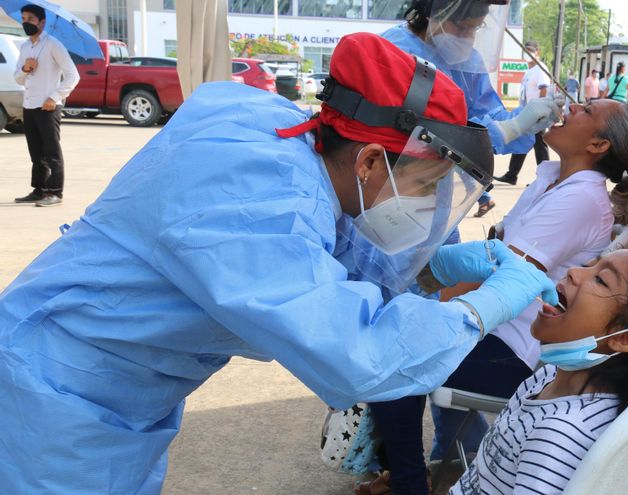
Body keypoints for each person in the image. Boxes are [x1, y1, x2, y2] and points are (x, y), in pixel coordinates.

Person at [0, 33, 560, 494]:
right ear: (368, 161)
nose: (422, 205)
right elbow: (359, 354)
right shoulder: (258, 204)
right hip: (55, 406)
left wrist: (428, 267)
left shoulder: (275, 133)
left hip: (109, 397)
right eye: (423, 187)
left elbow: (320, 245)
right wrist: (482, 307)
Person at [363, 98, 628, 495]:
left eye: (585, 110)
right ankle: (424, 469)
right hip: (501, 332)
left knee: (393, 363)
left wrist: (429, 299)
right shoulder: (553, 180)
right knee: (405, 336)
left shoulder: (579, 200)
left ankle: (409, 484)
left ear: (598, 146)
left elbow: (505, 280)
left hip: (514, 348)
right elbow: (497, 252)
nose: (568, 108)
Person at [451, 248, 628, 494]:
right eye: (589, 265)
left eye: (601, 279)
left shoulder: (560, 435)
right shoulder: (551, 375)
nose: (574, 272)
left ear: (624, 339)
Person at [382, 0, 561, 217]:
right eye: (462, 27)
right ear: (433, 14)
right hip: (391, 186)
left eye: (476, 27)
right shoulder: (395, 50)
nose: (468, 36)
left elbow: (486, 113)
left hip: (439, 194)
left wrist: (524, 120)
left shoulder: (468, 60)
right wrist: (507, 129)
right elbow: (422, 131)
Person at [12, 4, 80, 207]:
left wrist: (55, 96)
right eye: (23, 18)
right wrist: (26, 68)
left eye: (30, 19)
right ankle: (39, 189)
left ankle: (55, 192)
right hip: (29, 105)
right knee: (35, 152)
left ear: (42, 22)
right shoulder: (25, 47)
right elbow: (18, 78)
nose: (26, 22)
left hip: (48, 106)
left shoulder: (53, 45)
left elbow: (73, 75)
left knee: (51, 152)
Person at [494, 40, 551, 186]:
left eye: (531, 51)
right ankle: (512, 175)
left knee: (539, 145)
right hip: (527, 113)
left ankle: (544, 179)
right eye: (525, 51)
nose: (528, 54)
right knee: (521, 141)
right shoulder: (528, 70)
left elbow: (544, 90)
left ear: (537, 52)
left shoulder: (540, 69)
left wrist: (542, 112)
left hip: (537, 114)